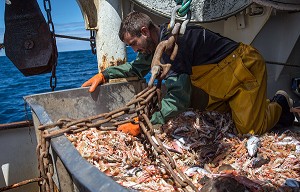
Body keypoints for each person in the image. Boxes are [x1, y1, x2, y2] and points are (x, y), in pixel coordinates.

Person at [82, 11, 295, 135]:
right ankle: (258, 106)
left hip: (242, 69)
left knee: (248, 131)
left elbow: (178, 100)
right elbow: (137, 68)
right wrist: (105, 75)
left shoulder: (174, 47)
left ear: (145, 31)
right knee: (217, 118)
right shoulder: (157, 45)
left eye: (134, 44)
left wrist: (143, 124)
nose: (135, 50)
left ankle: (280, 105)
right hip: (220, 82)